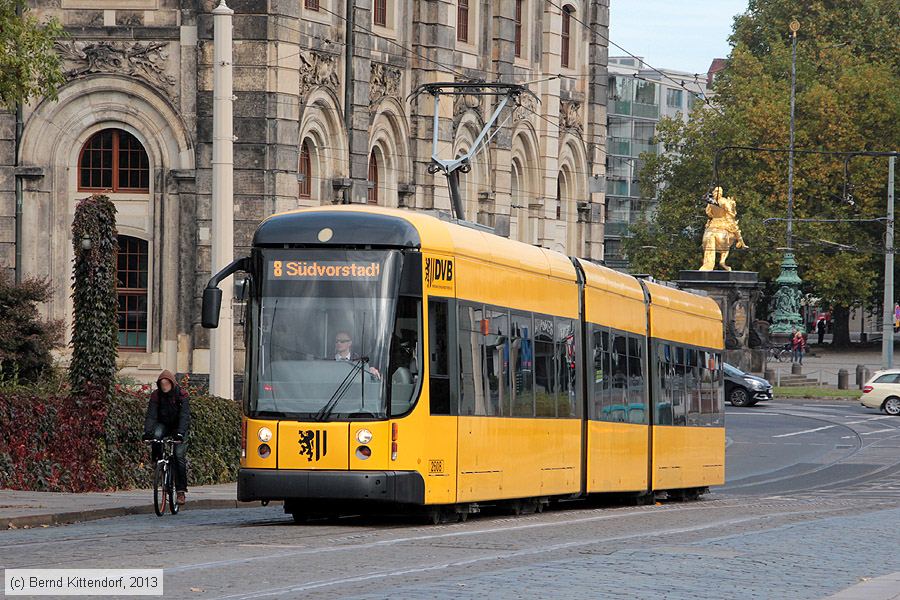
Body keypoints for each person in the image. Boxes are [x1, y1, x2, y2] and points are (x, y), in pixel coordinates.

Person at [141, 370, 190, 505]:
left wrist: (180, 433)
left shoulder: (181, 395)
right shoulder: (156, 396)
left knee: (178, 456)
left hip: (178, 427)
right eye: (162, 384)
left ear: (172, 383)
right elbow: (151, 415)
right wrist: (147, 432)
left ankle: (180, 491)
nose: (164, 387)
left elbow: (184, 416)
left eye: (166, 384)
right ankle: (157, 463)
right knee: (156, 437)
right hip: (164, 424)